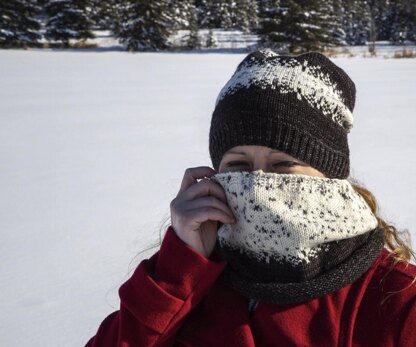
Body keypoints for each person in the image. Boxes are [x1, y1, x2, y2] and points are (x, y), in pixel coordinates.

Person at [85, 49, 416, 347]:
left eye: (283, 164)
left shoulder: (396, 297)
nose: (257, 184)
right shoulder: (194, 277)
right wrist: (179, 269)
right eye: (238, 165)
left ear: (330, 175)